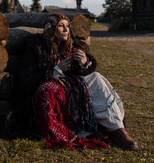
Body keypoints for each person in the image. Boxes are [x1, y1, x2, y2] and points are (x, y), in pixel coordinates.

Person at [8, 14, 138, 150]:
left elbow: (84, 72)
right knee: (48, 89)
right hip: (54, 90)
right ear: (51, 28)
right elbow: (27, 79)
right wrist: (56, 70)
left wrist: (85, 63)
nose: (66, 30)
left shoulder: (74, 45)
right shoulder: (37, 47)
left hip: (73, 87)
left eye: (67, 26)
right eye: (61, 26)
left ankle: (118, 130)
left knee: (97, 78)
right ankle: (72, 130)